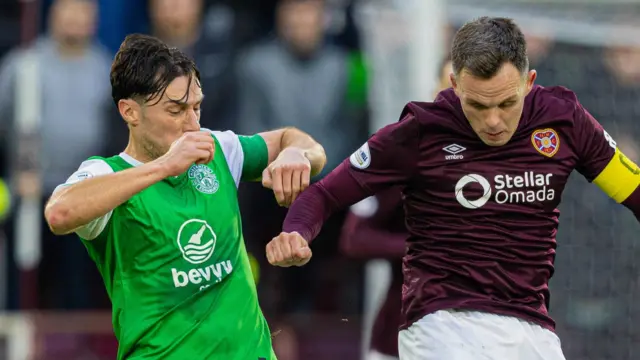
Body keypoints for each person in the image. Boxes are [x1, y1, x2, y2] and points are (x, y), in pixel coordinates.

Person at [266, 17, 640, 360]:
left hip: (530, 325)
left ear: (529, 82)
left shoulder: (564, 120)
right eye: (477, 105)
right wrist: (295, 231)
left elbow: (632, 188)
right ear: (455, 84)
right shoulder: (419, 132)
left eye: (507, 103)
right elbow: (325, 194)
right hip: (442, 322)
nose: (493, 121)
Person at [43, 34, 326, 360]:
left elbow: (304, 144)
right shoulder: (106, 174)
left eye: (197, 107)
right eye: (175, 110)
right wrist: (165, 166)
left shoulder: (218, 150)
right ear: (130, 112)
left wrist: (295, 154)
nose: (192, 124)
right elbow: (58, 214)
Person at [339, 58, 453, 360]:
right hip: (399, 340)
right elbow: (354, 238)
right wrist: (420, 248)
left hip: (481, 339)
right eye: (451, 87)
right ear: (435, 90)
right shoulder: (402, 154)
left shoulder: (507, 166)